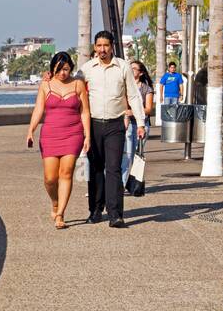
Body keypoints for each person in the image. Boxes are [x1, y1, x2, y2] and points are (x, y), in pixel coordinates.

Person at [79, 31, 146, 228]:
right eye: (98, 46)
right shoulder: (87, 69)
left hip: (116, 124)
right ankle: (95, 210)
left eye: (105, 46)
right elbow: (73, 88)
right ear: (94, 47)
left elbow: (133, 96)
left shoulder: (122, 67)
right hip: (93, 125)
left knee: (114, 168)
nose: (102, 50)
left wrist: (140, 123)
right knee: (96, 168)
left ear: (112, 46)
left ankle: (116, 214)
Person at [26, 52, 91, 230]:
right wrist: (31, 130)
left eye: (66, 69)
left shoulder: (78, 84)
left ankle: (60, 213)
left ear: (71, 68)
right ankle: (55, 201)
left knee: (67, 172)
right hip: (50, 134)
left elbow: (85, 112)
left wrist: (88, 135)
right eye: (59, 69)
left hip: (73, 133)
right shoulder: (45, 85)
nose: (63, 73)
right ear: (52, 68)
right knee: (50, 178)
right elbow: (38, 109)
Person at [122, 60, 154, 185]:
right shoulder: (124, 86)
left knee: (137, 156)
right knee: (126, 156)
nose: (131, 70)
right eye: (130, 68)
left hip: (142, 125)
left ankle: (135, 183)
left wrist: (132, 112)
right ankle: (121, 184)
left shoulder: (147, 89)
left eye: (134, 68)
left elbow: (148, 109)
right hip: (128, 124)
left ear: (140, 73)